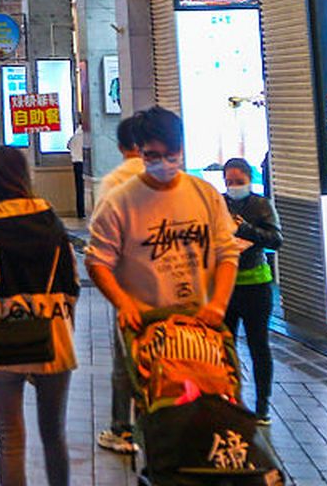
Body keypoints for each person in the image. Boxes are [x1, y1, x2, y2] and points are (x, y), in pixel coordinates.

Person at [86, 107, 239, 453]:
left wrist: (218, 304)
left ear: (181, 150)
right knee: (162, 426)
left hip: (202, 330)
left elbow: (227, 254)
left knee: (212, 422)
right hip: (150, 333)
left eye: (171, 155)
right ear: (138, 152)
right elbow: (98, 261)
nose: (163, 163)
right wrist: (124, 303)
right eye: (152, 156)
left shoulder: (205, 194)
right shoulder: (120, 202)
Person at [0, 146, 80, 486]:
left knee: (11, 440)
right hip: (54, 333)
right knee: (54, 433)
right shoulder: (52, 224)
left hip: (5, 337)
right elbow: (72, 283)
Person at [91, 113, 150, 456]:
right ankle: (158, 424)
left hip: (128, 286)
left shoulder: (114, 182)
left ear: (121, 146)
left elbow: (101, 243)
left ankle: (122, 429)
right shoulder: (175, 180)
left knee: (124, 359)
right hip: (171, 288)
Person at [221, 158, 281, 422]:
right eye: (229, 182)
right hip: (224, 285)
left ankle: (262, 406)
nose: (233, 187)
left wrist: (245, 230)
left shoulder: (260, 205)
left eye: (239, 182)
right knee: (225, 346)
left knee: (259, 346)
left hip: (256, 284)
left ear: (249, 180)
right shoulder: (218, 204)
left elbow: (275, 239)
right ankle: (229, 399)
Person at [65, 123, 90, 219]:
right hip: (85, 162)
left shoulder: (74, 136)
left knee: (79, 188)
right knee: (86, 187)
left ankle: (81, 212)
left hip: (76, 163)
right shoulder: (86, 136)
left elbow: (68, 146)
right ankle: (86, 210)